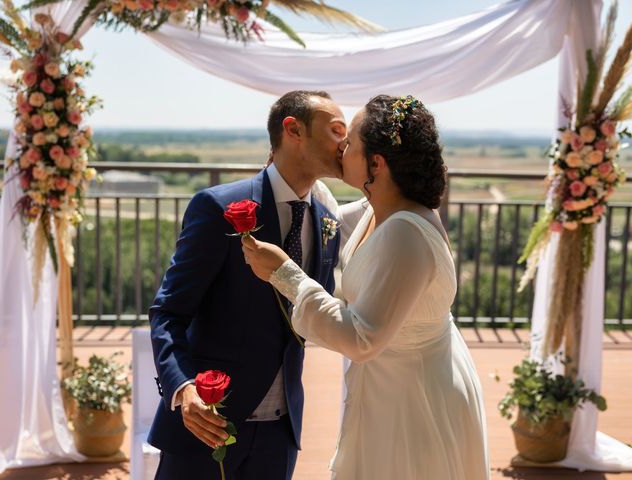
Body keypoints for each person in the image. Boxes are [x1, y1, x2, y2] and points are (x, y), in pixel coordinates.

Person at [242, 94, 490, 479]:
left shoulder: (406, 234)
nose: (342, 147)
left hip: (413, 403)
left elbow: (362, 339)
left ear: (377, 164)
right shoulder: (381, 210)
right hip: (391, 391)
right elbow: (324, 220)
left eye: (351, 142)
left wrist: (285, 274)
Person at [148, 90, 345, 479]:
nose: (346, 142)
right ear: (293, 130)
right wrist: (184, 388)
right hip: (206, 427)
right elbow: (167, 312)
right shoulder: (219, 208)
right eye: (336, 129)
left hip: (279, 436)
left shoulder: (328, 223)